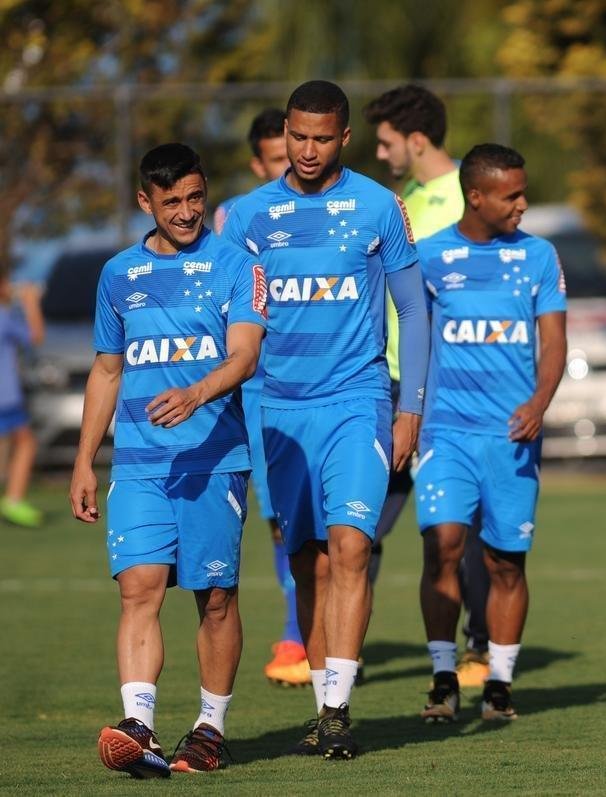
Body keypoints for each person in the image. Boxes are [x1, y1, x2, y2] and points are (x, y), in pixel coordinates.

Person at [220, 80, 430, 760]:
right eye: (296, 137)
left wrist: (411, 408)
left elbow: (415, 310)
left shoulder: (377, 206)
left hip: (357, 400)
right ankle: (322, 705)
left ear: (344, 138)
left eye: (320, 139)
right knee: (307, 560)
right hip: (280, 409)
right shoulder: (249, 216)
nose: (306, 150)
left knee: (351, 545)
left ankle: (338, 708)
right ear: (285, 132)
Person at [71, 143, 267, 776]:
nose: (186, 213)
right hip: (138, 464)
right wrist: (84, 462)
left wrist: (197, 393)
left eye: (195, 198)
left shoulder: (237, 265)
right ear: (145, 202)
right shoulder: (118, 275)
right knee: (140, 589)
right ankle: (141, 724)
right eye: (172, 202)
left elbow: (245, 356)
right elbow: (105, 370)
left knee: (214, 598)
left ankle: (209, 730)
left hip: (214, 460)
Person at [415, 143, 567, 724]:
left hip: (513, 433)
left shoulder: (538, 257)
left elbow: (553, 341)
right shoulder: (429, 258)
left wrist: (539, 401)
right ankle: (443, 677)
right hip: (447, 432)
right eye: (512, 195)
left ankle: (499, 683)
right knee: (443, 546)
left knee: (506, 562)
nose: (523, 204)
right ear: (475, 196)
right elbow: (411, 342)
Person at [362, 84, 489, 687]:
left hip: (449, 391)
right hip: (387, 382)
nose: (380, 152)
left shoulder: (472, 195)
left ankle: (478, 647)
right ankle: (343, 651)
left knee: (453, 528)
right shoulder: (400, 198)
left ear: (416, 140)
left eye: (386, 142)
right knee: (361, 524)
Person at [213, 107, 310, 689]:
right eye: (279, 160)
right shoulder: (236, 219)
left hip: (306, 389)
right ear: (260, 163)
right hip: (250, 393)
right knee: (275, 522)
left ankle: (301, 634)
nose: (294, 168)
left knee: (306, 521)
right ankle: (298, 630)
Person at [0, 272, 44, 527]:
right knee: (26, 442)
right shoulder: (4, 317)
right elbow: (36, 335)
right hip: (6, 396)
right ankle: (14, 500)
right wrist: (30, 302)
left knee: (23, 440)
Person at [213, 109, 290, 234]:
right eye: (278, 160)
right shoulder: (232, 211)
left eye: (292, 155)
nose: (289, 165)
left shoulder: (325, 202)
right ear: (259, 167)